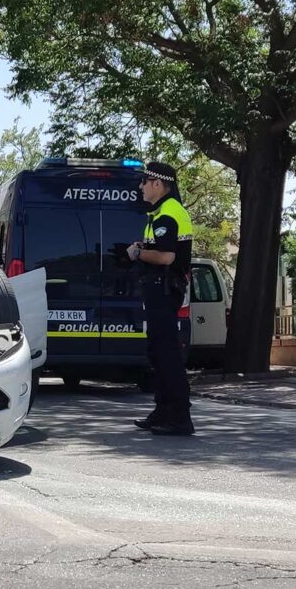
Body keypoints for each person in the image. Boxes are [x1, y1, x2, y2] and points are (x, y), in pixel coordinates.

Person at [126, 162, 195, 435]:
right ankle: (163, 410)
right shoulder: (159, 214)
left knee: (167, 354)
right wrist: (144, 248)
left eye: (144, 181)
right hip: (159, 289)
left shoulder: (168, 214)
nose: (141, 186)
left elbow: (166, 257)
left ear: (158, 183)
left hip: (164, 289)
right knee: (157, 351)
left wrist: (136, 253)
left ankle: (179, 416)